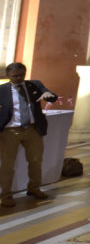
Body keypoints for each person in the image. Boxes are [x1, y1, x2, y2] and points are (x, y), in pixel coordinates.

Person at [0, 62, 56, 207]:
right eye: (15, 76)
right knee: (7, 165)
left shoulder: (34, 85)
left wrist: (48, 95)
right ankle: (6, 195)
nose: (19, 78)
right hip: (10, 131)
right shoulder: (2, 90)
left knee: (36, 161)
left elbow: (51, 96)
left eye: (21, 75)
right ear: (8, 76)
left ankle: (34, 188)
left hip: (32, 129)